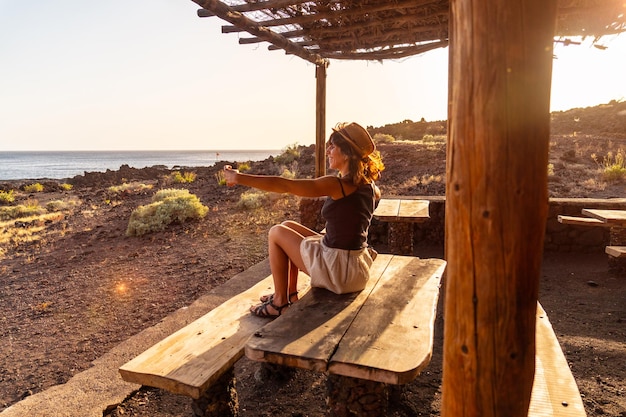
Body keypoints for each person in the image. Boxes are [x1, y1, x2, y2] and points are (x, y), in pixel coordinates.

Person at [223, 122, 384, 318]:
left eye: (333, 146)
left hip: (339, 272)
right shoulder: (370, 187)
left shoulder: (338, 185)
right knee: (288, 226)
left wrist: (238, 177)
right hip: (356, 269)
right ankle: (288, 292)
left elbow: (285, 185)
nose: (328, 151)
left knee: (276, 233)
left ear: (348, 153)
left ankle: (279, 303)